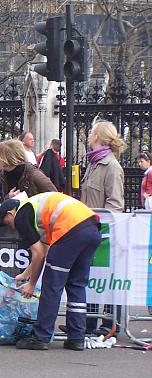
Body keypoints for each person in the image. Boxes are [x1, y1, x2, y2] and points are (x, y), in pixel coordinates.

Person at [0, 193, 101, 351]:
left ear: (10, 213)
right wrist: (25, 275)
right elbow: (43, 251)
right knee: (76, 285)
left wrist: (31, 284)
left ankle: (41, 337)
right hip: (91, 228)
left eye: (6, 223)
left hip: (70, 230)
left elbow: (39, 253)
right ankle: (77, 337)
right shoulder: (37, 212)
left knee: (51, 286)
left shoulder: (21, 216)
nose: (10, 228)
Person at [80, 120, 125, 336]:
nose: (89, 135)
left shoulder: (112, 167)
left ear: (98, 137)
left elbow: (115, 205)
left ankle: (109, 324)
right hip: (88, 229)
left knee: (105, 278)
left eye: (91, 132)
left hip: (103, 231)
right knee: (90, 275)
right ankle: (88, 323)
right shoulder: (93, 163)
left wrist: (101, 225)